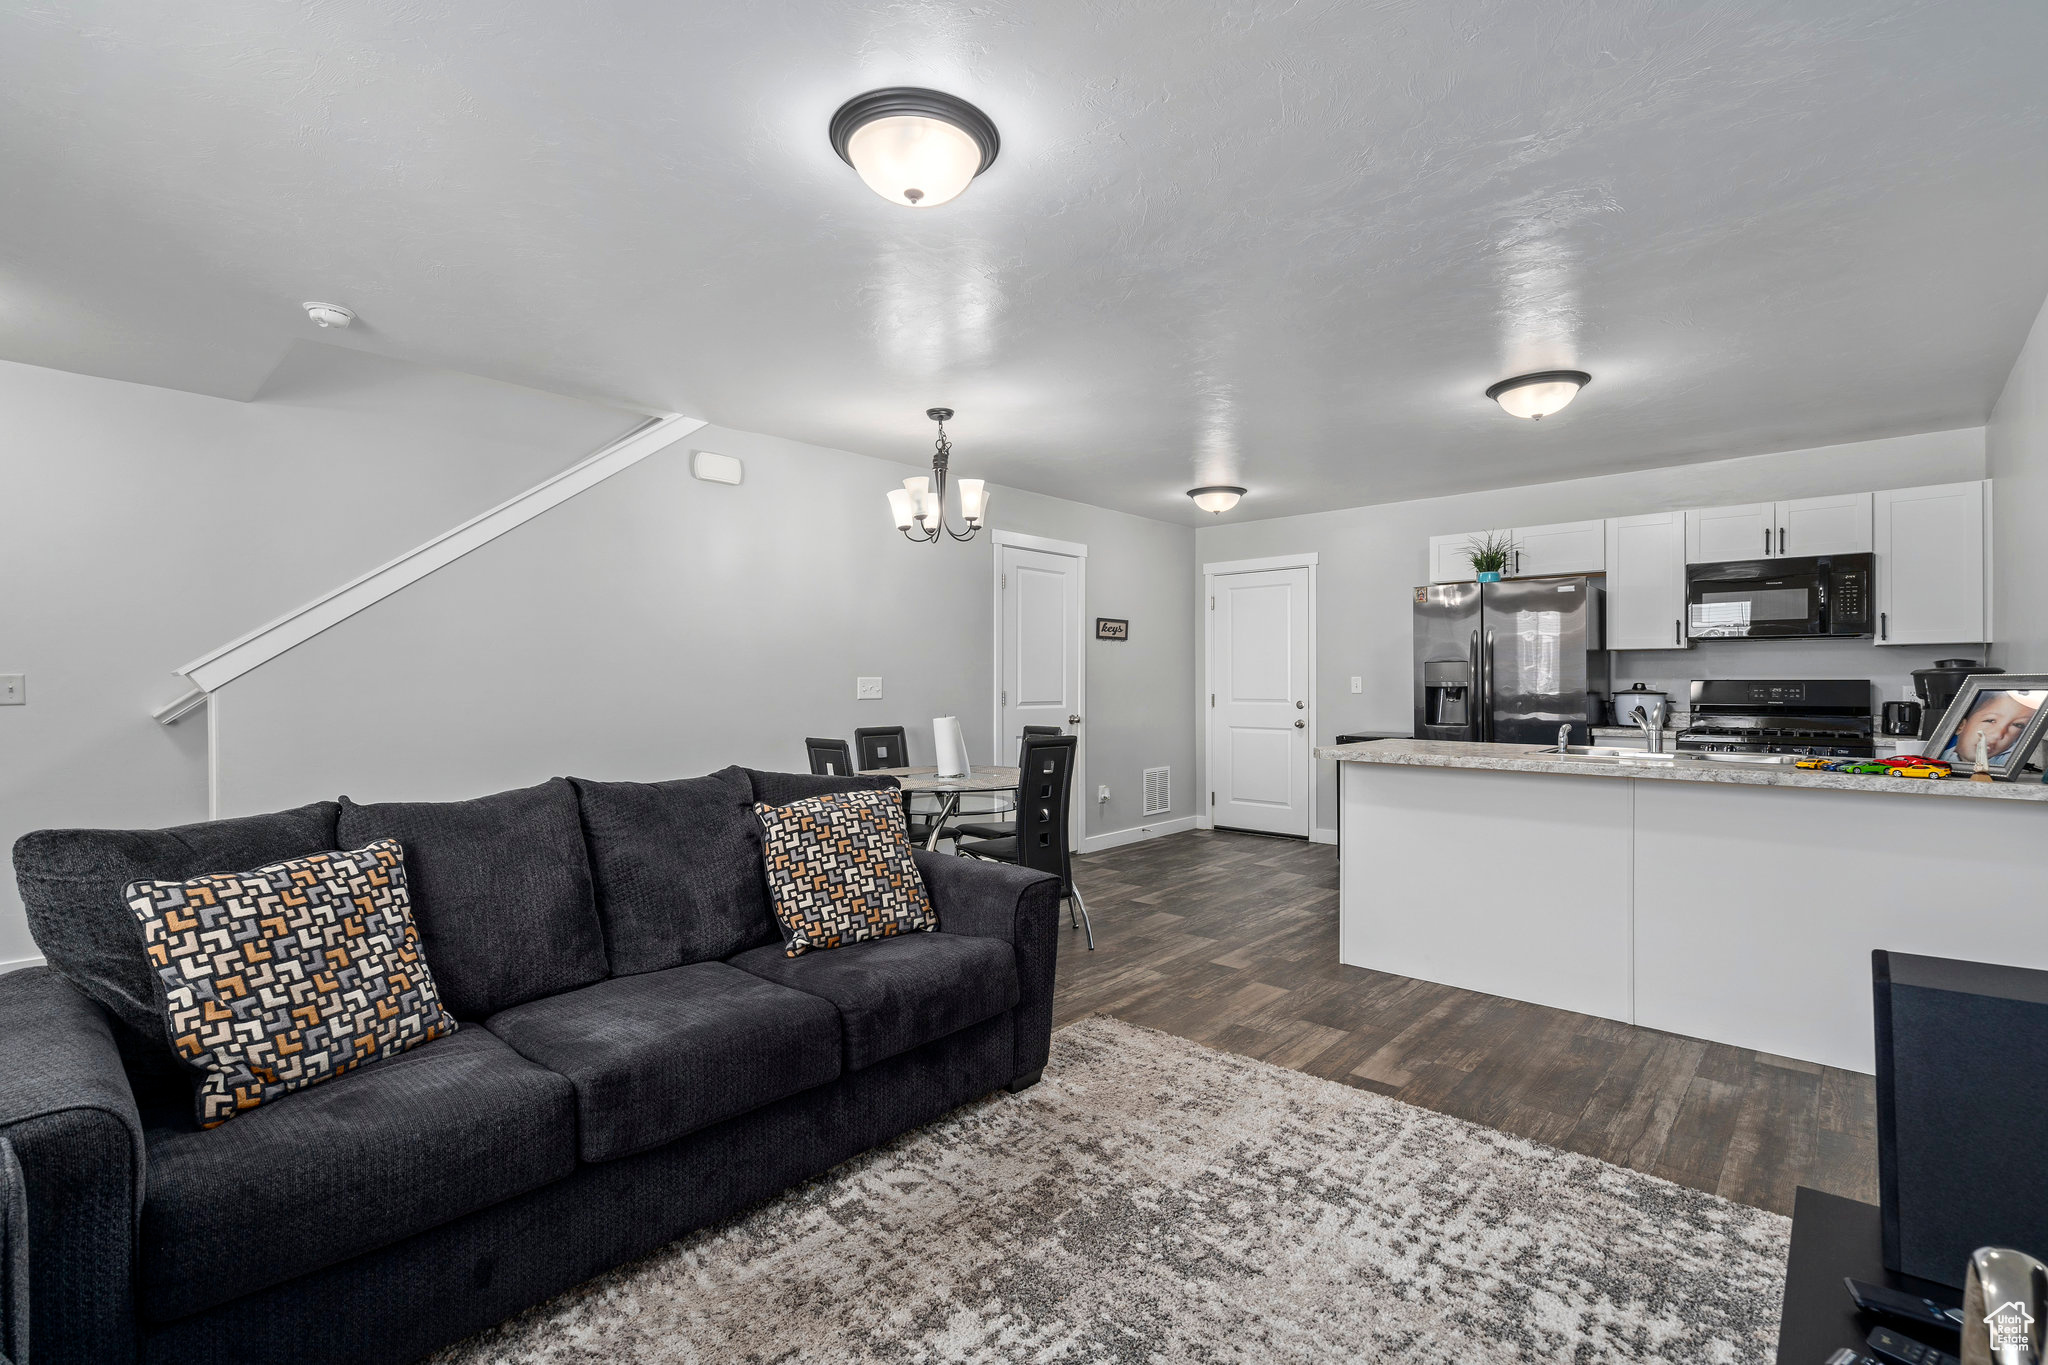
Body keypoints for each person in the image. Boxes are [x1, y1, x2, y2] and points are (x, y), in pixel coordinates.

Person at [1938, 690, 2045, 770]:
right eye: (1990, 720)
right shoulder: (1938, 758)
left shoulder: (2006, 762)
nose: (1998, 734)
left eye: (2018, 725)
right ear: (1960, 726)